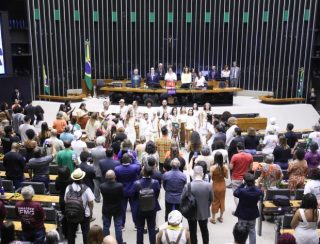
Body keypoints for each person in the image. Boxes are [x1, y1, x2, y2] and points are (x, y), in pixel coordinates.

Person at [181, 166, 213, 244]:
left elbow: (182, 198)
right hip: (204, 212)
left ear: (193, 174)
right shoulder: (208, 185)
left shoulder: (188, 186)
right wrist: (206, 206)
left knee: (192, 231)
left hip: (191, 212)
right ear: (202, 174)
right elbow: (211, 199)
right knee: (204, 230)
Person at [65, 168, 94, 244]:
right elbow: (91, 202)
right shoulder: (87, 189)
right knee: (86, 233)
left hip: (71, 214)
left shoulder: (68, 187)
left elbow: (66, 200)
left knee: (71, 234)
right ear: (82, 178)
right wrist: (91, 213)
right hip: (85, 214)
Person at [133, 166, 161, 244]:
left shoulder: (136, 183)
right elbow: (157, 194)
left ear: (143, 172)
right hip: (152, 208)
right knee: (152, 228)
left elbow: (134, 196)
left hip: (140, 208)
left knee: (140, 228)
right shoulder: (155, 183)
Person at [234, 173, 263, 244]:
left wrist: (242, 184)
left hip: (242, 214)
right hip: (252, 214)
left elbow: (235, 193)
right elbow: (261, 196)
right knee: (252, 231)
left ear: (245, 181)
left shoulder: (242, 191)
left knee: (241, 232)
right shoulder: (258, 191)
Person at [114, 153, 141, 229]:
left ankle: (122, 225)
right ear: (130, 160)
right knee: (134, 208)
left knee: (122, 209)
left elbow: (116, 179)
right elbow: (138, 164)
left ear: (122, 160)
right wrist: (133, 157)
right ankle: (136, 224)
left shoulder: (117, 169)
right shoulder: (134, 167)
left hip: (122, 191)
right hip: (133, 190)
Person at [100, 170, 125, 244]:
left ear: (106, 177)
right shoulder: (119, 186)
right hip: (118, 209)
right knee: (118, 227)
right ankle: (119, 242)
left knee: (106, 226)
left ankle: (105, 241)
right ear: (115, 176)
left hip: (106, 209)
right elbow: (122, 195)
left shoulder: (102, 186)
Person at [210, 152, 228, 224]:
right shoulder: (225, 167)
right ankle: (221, 217)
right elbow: (227, 177)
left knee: (214, 201)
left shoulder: (213, 167)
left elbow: (211, 178)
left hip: (215, 185)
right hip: (223, 185)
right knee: (222, 200)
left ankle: (213, 218)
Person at [55, 166, 72, 237]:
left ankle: (65, 232)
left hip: (62, 199)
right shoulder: (71, 180)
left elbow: (57, 189)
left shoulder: (58, 179)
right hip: (70, 199)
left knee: (64, 216)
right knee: (70, 216)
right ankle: (71, 232)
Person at [90, 136, 106, 202]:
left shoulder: (92, 150)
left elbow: (91, 159)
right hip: (103, 170)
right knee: (104, 185)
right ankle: (105, 197)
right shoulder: (105, 150)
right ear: (103, 143)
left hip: (95, 169)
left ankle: (97, 198)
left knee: (96, 186)